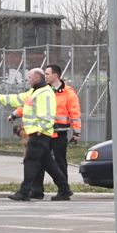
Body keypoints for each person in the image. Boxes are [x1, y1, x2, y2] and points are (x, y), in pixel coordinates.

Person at [0, 67, 56, 202]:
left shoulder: (45, 93)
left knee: (30, 162)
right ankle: (65, 189)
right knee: (48, 164)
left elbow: (48, 116)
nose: (27, 80)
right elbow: (19, 99)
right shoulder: (34, 92)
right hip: (36, 133)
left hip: (39, 133)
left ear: (37, 78)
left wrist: (39, 130)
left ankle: (24, 192)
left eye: (29, 78)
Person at [43, 64, 79, 201]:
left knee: (60, 162)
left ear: (55, 75)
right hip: (45, 133)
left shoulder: (68, 93)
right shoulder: (44, 91)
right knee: (39, 161)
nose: (44, 76)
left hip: (60, 133)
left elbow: (75, 113)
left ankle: (63, 191)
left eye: (47, 74)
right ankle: (36, 190)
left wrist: (76, 133)